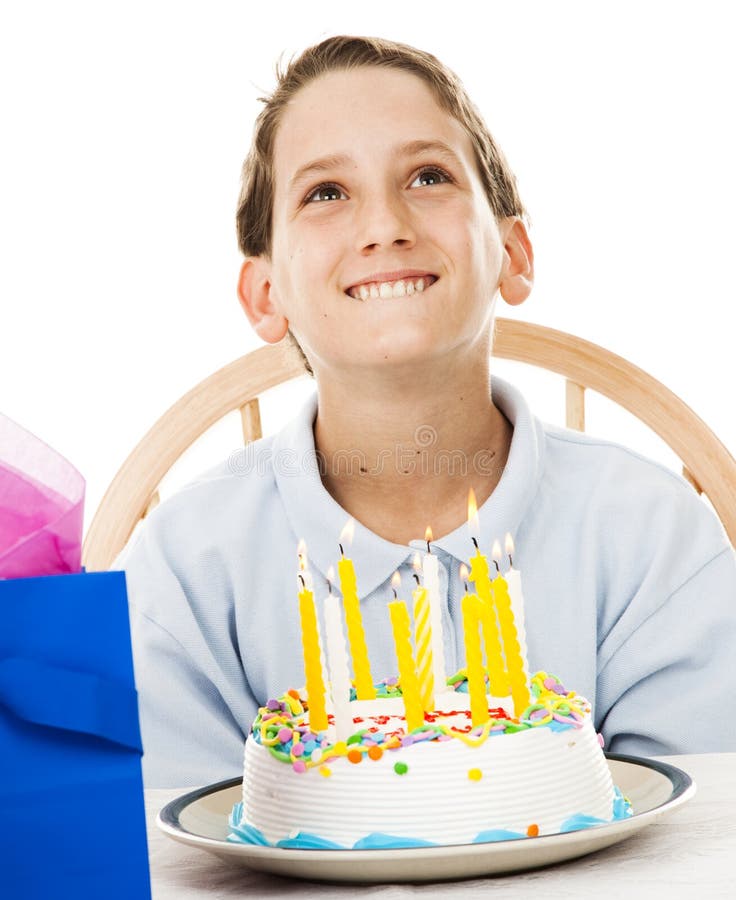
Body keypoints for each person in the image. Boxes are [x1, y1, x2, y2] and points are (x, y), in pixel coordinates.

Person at [119, 35, 736, 788]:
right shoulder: (186, 569)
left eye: (428, 175)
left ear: (514, 254)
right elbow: (180, 856)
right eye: (325, 193)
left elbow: (698, 836)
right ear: (265, 294)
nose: (385, 225)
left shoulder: (652, 535)